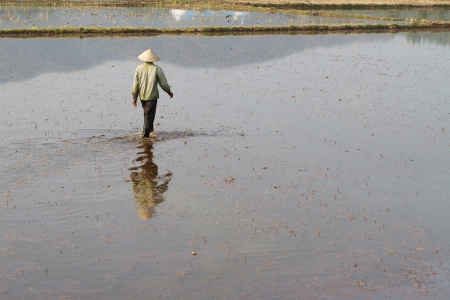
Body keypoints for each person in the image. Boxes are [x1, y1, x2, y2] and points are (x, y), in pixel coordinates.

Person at [132, 48, 173, 138]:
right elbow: (163, 83)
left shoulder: (139, 68)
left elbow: (136, 84)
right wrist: (169, 92)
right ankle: (146, 135)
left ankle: (149, 132)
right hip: (152, 96)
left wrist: (134, 97)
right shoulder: (157, 69)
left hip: (142, 96)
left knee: (147, 114)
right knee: (148, 114)